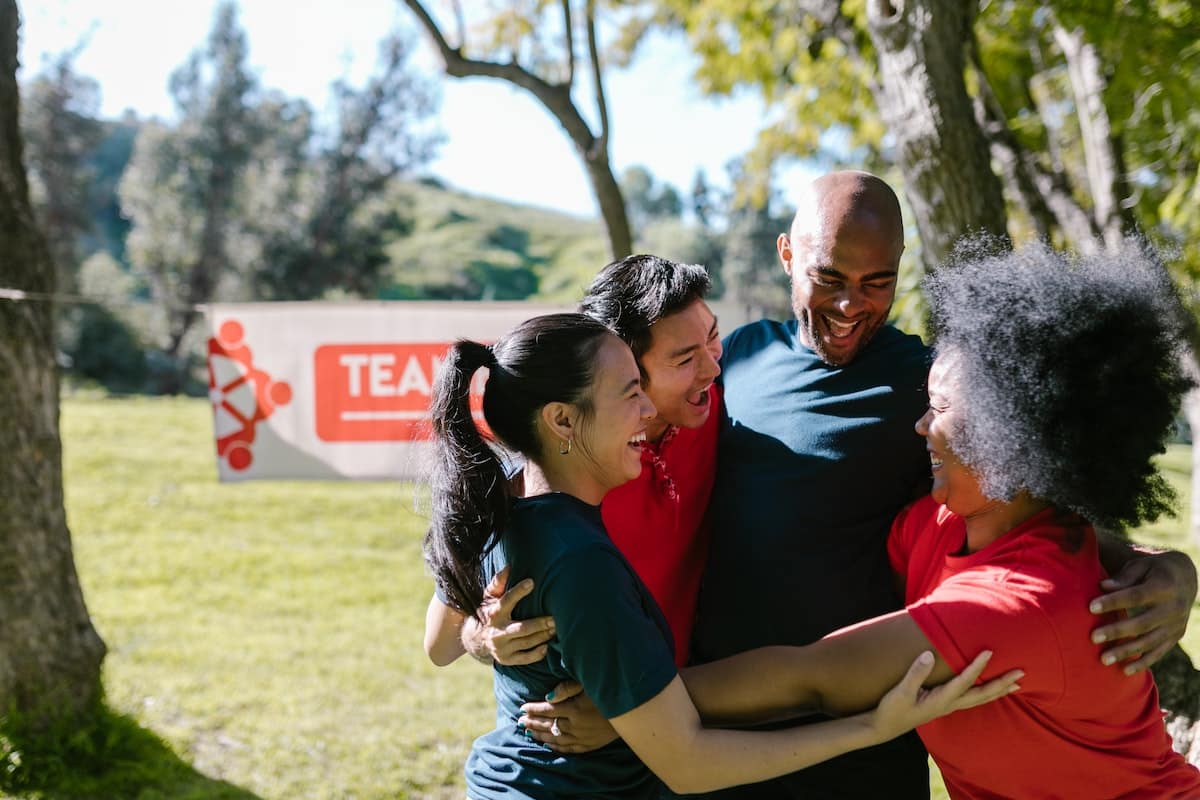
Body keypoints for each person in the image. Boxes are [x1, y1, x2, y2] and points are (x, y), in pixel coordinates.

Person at [422, 312, 1017, 799]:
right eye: (631, 393)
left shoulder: (506, 506)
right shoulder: (580, 561)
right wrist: (871, 727)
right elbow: (689, 762)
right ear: (561, 421)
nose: (650, 410)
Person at [685, 240, 1200, 797]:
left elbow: (815, 679)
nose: (920, 425)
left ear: (1013, 430)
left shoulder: (1020, 602)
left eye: (943, 409)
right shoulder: (943, 525)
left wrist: (634, 701)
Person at [425, 255, 723, 669]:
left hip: (686, 696)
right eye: (685, 359)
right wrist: (485, 637)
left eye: (713, 336)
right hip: (599, 711)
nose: (713, 366)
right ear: (623, 366)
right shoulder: (552, 480)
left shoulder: (715, 401)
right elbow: (440, 643)